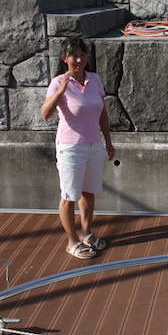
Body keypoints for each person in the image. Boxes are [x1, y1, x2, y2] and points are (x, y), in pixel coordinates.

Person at [41, 37, 115, 259]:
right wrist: (60, 91)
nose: (79, 60)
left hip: (94, 145)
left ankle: (86, 233)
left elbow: (102, 113)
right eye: (74, 56)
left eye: (82, 55)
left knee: (88, 192)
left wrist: (108, 142)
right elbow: (45, 114)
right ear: (65, 58)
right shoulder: (58, 82)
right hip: (71, 147)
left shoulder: (94, 79)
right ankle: (72, 241)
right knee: (69, 196)